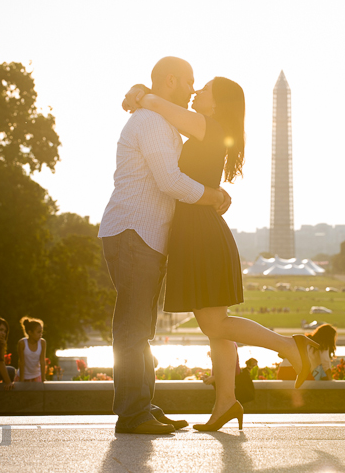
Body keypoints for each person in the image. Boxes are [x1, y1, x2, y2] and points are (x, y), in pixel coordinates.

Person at [123, 71, 319, 433]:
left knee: (213, 323)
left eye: (206, 89)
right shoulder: (208, 128)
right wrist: (142, 96)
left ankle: (293, 347)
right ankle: (226, 402)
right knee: (217, 331)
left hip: (200, 235)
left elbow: (157, 105)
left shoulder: (205, 125)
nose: (197, 90)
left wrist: (142, 95)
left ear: (218, 102)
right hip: (199, 232)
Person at [99, 57, 232, 435]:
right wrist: (214, 195)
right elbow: (170, 181)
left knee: (141, 327)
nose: (193, 89)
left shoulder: (159, 118)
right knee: (132, 326)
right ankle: (132, 413)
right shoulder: (152, 122)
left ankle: (143, 406)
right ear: (171, 80)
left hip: (143, 234)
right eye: (190, 81)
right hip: (133, 232)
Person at [16, 317, 46, 383]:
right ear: (30, 332)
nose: (40, 334)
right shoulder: (22, 343)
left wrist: (43, 379)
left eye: (41, 332)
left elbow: (42, 361)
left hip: (36, 376)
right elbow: (21, 362)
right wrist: (21, 380)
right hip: (23, 376)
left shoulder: (42, 343)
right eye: (38, 332)